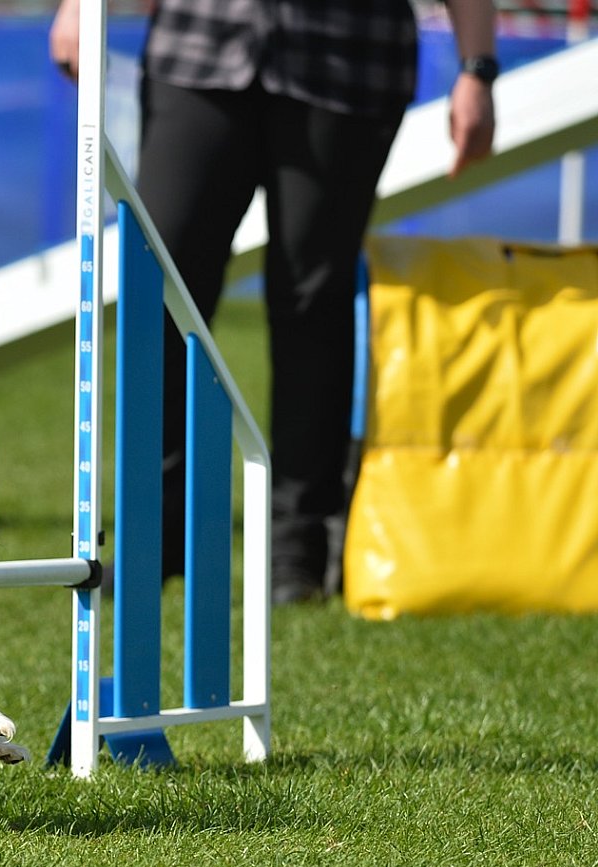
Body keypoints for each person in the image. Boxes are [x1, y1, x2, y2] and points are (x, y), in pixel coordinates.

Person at [50, 0, 498, 604]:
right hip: (200, 48)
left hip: (349, 60)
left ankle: (298, 548)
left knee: (313, 302)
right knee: (157, 288)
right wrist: (78, 7)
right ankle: (151, 535)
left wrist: (477, 67)